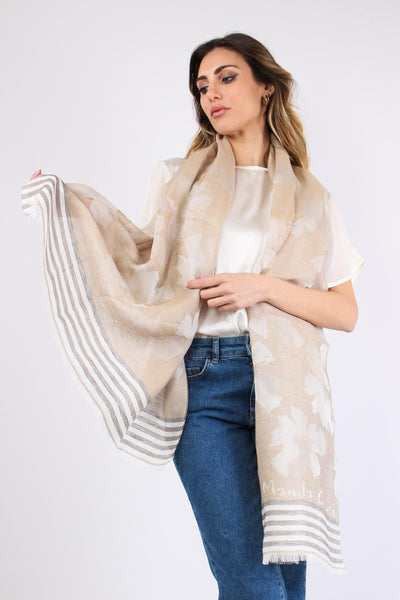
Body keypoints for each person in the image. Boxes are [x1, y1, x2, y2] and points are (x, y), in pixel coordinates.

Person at [30, 32, 364, 600]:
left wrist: (262, 287)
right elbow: (142, 263)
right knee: (249, 580)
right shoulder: (176, 178)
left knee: (286, 579)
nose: (212, 94)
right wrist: (68, 206)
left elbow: (345, 311)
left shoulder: (313, 198)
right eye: (202, 87)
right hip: (203, 384)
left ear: (266, 87)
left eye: (226, 78)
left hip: (286, 391)